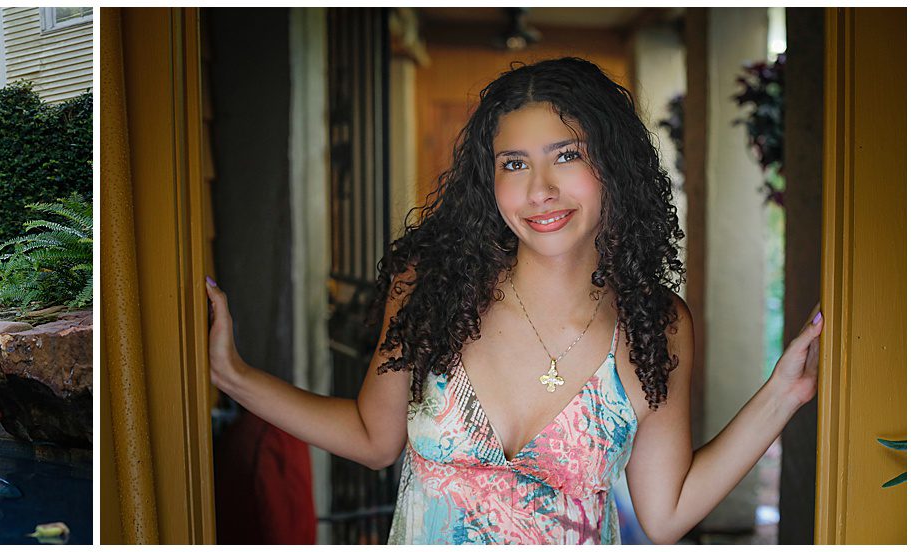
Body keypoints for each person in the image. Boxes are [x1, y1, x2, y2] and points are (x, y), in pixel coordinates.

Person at [204, 58, 822, 545]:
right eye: (515, 163)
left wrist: (783, 395)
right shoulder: (429, 287)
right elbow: (373, 438)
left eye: (567, 156)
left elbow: (666, 515)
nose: (540, 190)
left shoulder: (652, 325)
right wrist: (234, 376)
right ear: (490, 178)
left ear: (613, 166)